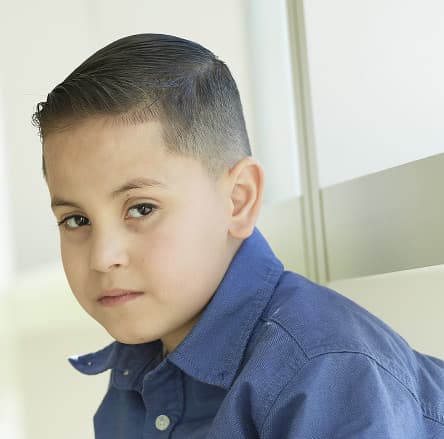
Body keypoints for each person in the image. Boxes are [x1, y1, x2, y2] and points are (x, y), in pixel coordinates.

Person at [32, 33, 444, 438]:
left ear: (238, 201)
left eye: (142, 209)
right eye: (76, 220)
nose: (103, 257)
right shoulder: (136, 368)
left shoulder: (326, 371)